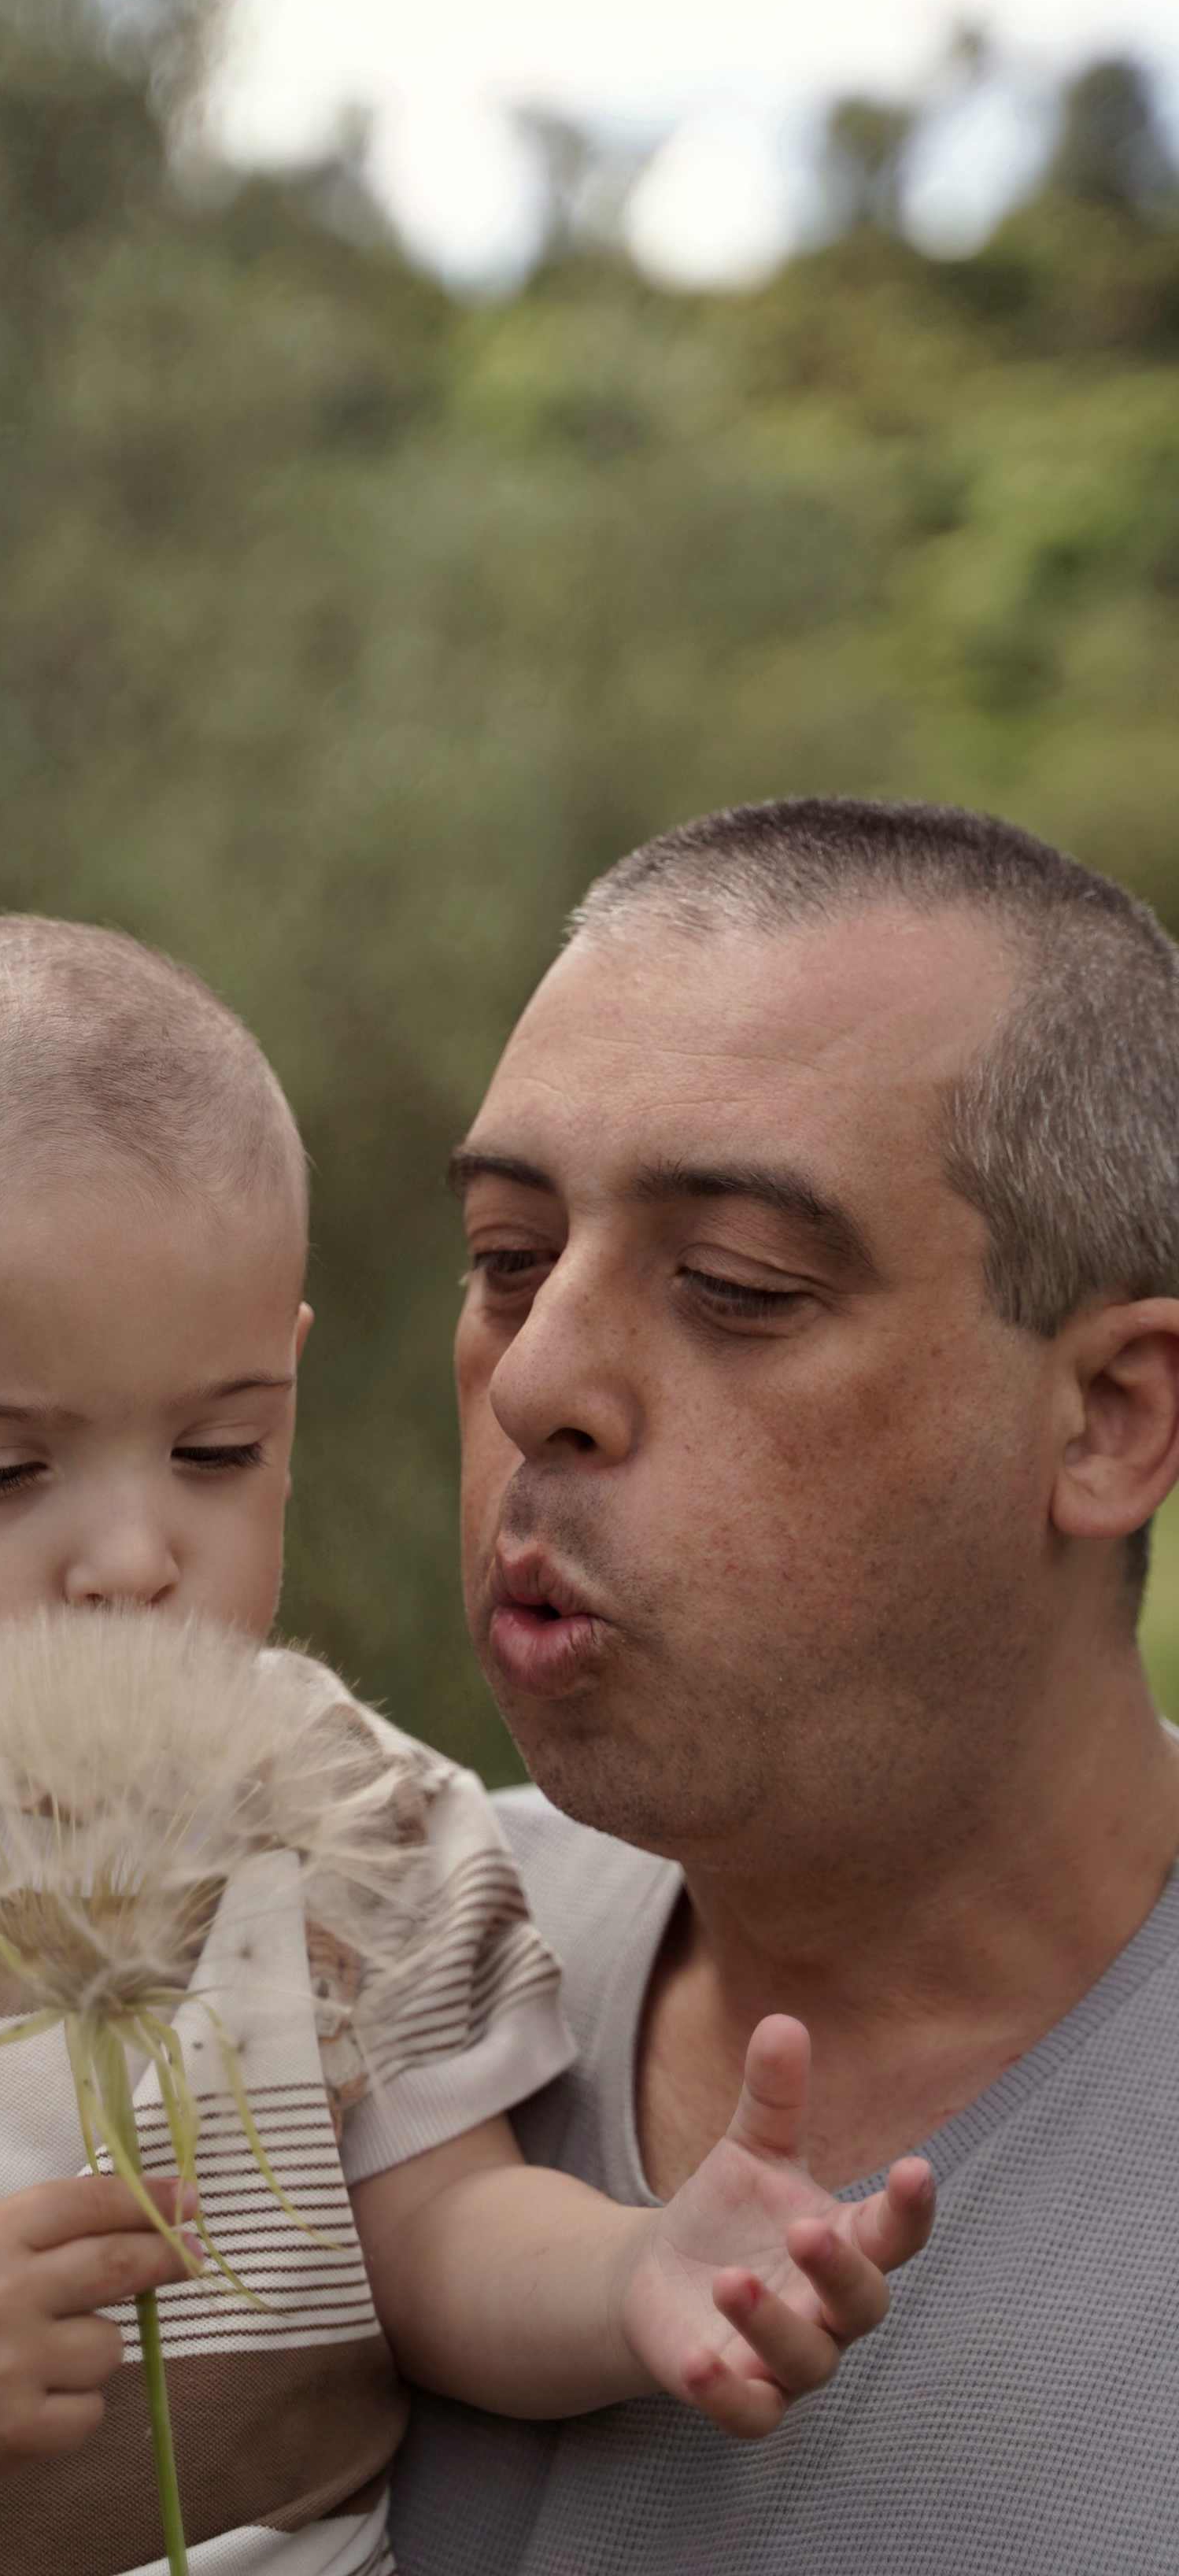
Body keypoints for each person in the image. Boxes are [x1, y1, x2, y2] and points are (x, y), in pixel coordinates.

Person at [0, 915, 927, 2576]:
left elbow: (434, 2243)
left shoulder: (349, 1822)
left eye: (214, 1449)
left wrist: (635, 2277)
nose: (132, 1555)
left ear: (288, 1389)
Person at [391, 796, 1179, 2576]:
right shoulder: (346, 1989)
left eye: (732, 1288)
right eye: (508, 1260)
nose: (536, 1385)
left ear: (1107, 1417)